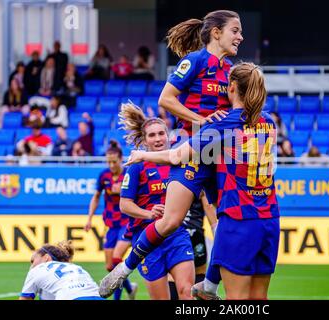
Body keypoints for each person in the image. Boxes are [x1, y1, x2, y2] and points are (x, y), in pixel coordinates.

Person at [100, 62, 279, 300]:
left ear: (232, 87)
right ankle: (208, 286)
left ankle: (130, 268)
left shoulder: (225, 123)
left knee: (237, 299)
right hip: (269, 219)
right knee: (259, 298)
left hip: (239, 219)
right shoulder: (269, 122)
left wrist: (143, 154)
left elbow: (176, 155)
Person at [98, 10, 243, 299]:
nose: (240, 36)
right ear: (216, 32)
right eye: (235, 30)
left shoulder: (231, 71)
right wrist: (200, 120)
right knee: (172, 221)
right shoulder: (195, 61)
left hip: (220, 155)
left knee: (226, 223)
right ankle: (123, 270)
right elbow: (165, 99)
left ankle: (211, 286)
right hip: (191, 150)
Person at [118, 105, 195, 299]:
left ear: (168, 136)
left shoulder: (179, 162)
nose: (158, 138)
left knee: (187, 292)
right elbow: (124, 205)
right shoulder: (137, 167)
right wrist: (148, 213)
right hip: (146, 239)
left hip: (176, 234)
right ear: (144, 141)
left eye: (162, 133)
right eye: (152, 135)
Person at [84, 141, 136, 300]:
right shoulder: (104, 175)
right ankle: (130, 288)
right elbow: (96, 197)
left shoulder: (128, 174)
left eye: (114, 161)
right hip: (111, 224)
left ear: (121, 159)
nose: (111, 165)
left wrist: (122, 190)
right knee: (110, 267)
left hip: (126, 223)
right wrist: (89, 218)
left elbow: (137, 195)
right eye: (109, 161)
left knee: (116, 260)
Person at [168, 191, 218, 300]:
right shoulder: (199, 179)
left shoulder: (171, 179)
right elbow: (208, 205)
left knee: (173, 274)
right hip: (195, 232)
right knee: (200, 272)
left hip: (177, 233)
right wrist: (215, 229)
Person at [19, 240, 104, 300]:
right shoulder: (77, 268)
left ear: (46, 258)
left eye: (33, 261)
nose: (31, 266)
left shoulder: (37, 270)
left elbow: (25, 298)